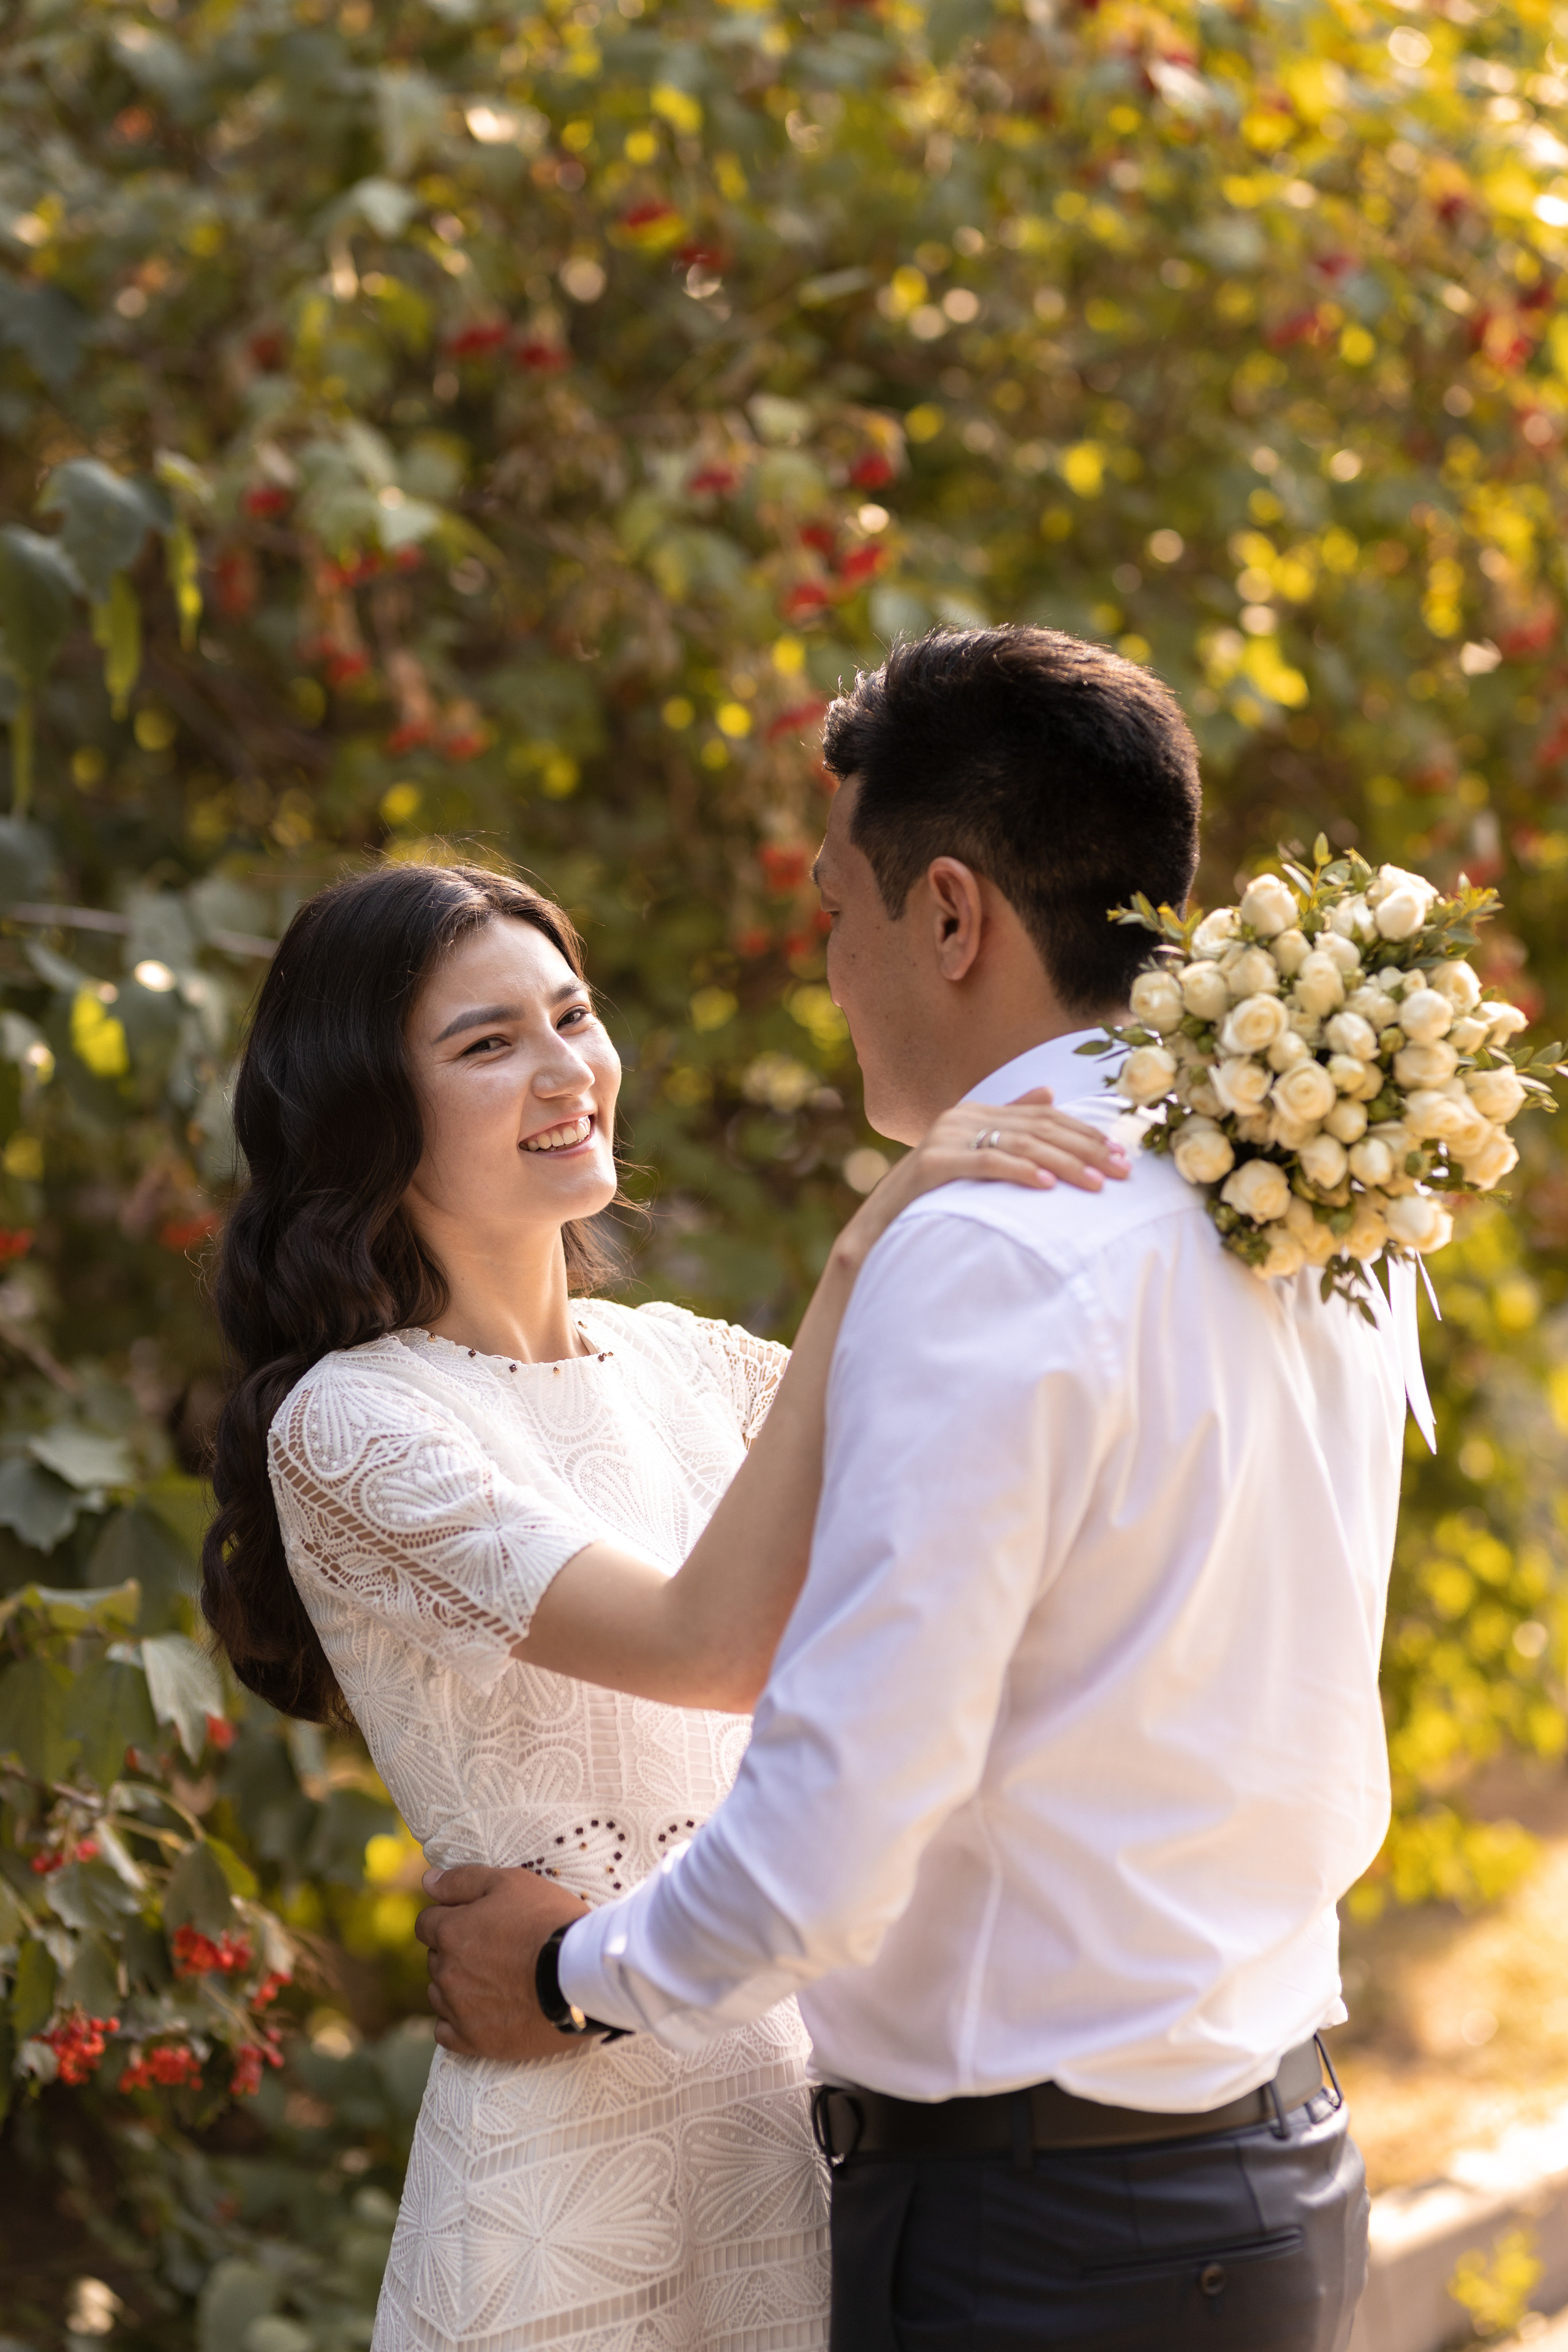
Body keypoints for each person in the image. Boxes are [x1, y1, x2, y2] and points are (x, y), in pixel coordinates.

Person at [417, 624, 1422, 2352]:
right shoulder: (1303, 1174)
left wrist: (568, 1979)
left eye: (832, 910)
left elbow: (837, 1820)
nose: (827, 963)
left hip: (1039, 2247)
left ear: (949, 915)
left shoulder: (987, 1248)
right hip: (1283, 2180)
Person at [199, 849, 1125, 2352]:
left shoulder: (693, 1362)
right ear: (368, 1109)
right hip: (561, 2168)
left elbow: (967, 1582)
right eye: (486, 1044)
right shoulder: (350, 1423)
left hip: (790, 2112)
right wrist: (862, 1244)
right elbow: (709, 1647)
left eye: (571, 1016)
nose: (565, 1069)